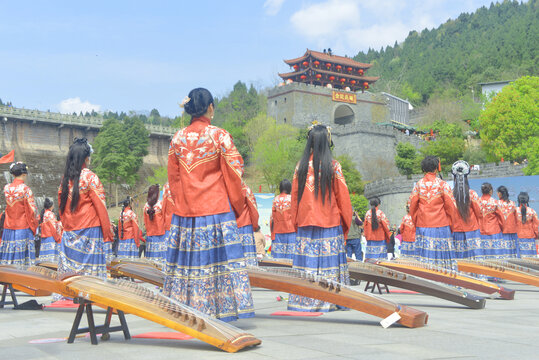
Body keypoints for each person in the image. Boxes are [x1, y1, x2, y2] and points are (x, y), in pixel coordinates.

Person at [164, 88, 254, 322]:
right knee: (217, 265)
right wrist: (236, 205)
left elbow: (173, 179)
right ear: (210, 107)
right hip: (216, 209)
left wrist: (182, 204)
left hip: (186, 213)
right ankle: (219, 309)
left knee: (189, 264)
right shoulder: (219, 135)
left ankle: (186, 308)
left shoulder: (177, 139)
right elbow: (235, 173)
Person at [288, 123, 352, 312]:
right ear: (327, 141)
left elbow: (294, 197)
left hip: (305, 222)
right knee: (328, 263)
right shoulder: (333, 166)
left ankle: (304, 299)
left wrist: (296, 221)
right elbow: (343, 198)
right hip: (329, 221)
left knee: (307, 261)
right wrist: (346, 224)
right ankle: (330, 299)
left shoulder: (300, 167)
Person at [58, 138, 112, 279]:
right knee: (90, 278)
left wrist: (67, 225)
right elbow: (101, 208)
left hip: (69, 232)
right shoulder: (91, 178)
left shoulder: (65, 179)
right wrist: (107, 233)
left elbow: (61, 207)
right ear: (86, 158)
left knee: (70, 275)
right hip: (90, 232)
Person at [408, 156, 457, 270]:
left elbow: (413, 207)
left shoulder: (418, 186)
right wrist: (450, 224)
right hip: (441, 225)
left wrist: (417, 222)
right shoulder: (443, 184)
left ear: (423, 170)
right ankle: (445, 280)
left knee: (425, 257)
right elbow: (451, 207)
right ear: (436, 169)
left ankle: (426, 281)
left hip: (423, 226)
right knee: (443, 257)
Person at [0, 162, 38, 265]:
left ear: (13, 175)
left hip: (8, 225)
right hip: (22, 226)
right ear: (24, 174)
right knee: (22, 256)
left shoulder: (6, 188)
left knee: (8, 252)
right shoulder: (26, 189)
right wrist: (34, 224)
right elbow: (32, 210)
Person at [451, 161, 483, 260]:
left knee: (459, 259)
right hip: (472, 230)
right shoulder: (472, 194)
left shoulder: (450, 195)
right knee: (475, 259)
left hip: (456, 231)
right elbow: (479, 212)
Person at [270, 179, 296, 260]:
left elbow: (272, 218)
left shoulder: (275, 199)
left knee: (278, 259)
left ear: (280, 188)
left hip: (278, 232)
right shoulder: (292, 199)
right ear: (289, 188)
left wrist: (272, 232)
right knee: (290, 259)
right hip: (291, 231)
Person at [478, 182, 504, 260]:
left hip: (480, 232)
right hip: (494, 231)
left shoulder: (477, 202)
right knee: (496, 256)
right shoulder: (495, 202)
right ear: (491, 191)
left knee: (483, 256)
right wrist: (502, 228)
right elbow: (501, 217)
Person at [236, 182, 259, 266]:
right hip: (245, 225)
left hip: (229, 226)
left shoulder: (225, 186)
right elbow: (253, 208)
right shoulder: (245, 188)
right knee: (248, 259)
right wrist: (255, 225)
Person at [143, 184, 166, 264]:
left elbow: (145, 221)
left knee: (151, 259)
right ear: (157, 194)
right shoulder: (161, 204)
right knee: (161, 258)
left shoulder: (146, 206)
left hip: (150, 235)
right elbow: (165, 218)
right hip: (161, 234)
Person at [497, 186, 518, 258]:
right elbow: (516, 217)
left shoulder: (497, 203)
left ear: (500, 193)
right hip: (512, 229)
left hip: (502, 230)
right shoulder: (512, 203)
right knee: (512, 250)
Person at [515, 192, 538, 257]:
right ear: (527, 200)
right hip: (530, 237)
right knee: (530, 261)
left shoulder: (514, 211)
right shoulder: (532, 211)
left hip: (518, 237)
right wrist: (536, 235)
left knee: (519, 262)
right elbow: (536, 226)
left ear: (518, 200)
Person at [38, 198, 61, 262]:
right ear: (51, 206)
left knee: (45, 254)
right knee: (51, 256)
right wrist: (57, 236)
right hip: (51, 235)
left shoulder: (44, 213)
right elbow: (53, 226)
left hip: (45, 235)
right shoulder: (50, 214)